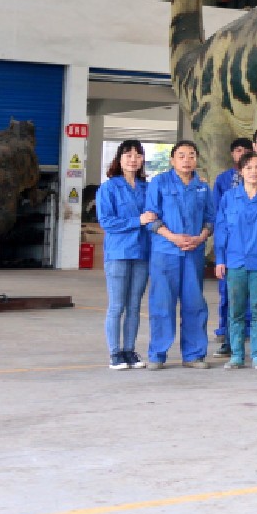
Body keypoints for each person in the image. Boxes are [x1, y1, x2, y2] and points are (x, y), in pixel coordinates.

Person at [144, 140, 214, 369]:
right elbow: (151, 218)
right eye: (181, 156)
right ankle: (157, 354)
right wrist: (173, 237)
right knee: (162, 304)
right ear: (172, 160)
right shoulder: (159, 182)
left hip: (193, 253)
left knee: (194, 304)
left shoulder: (202, 187)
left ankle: (193, 355)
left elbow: (210, 220)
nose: (187, 160)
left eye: (191, 155)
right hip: (166, 253)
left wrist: (200, 238)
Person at [214, 150, 257, 370]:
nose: (253, 171)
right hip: (235, 263)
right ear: (241, 171)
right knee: (236, 310)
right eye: (249, 167)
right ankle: (236, 355)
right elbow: (221, 230)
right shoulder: (229, 198)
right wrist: (220, 259)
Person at [97, 139, 156, 370]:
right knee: (117, 305)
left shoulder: (147, 188)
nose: (133, 159)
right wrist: (137, 221)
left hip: (142, 253)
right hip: (118, 253)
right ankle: (115, 353)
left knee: (134, 306)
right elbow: (107, 222)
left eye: (138, 155)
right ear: (119, 159)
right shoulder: (109, 188)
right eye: (128, 155)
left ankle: (129, 350)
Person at [212, 137, 253, 353]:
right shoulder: (223, 181)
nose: (242, 154)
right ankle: (226, 332)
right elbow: (219, 217)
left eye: (246, 150)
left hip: (255, 251)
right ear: (232, 154)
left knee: (254, 299)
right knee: (229, 296)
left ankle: (251, 335)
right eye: (237, 150)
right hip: (232, 250)